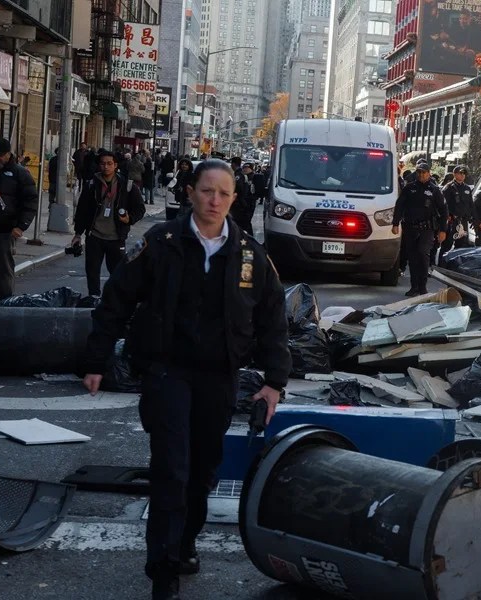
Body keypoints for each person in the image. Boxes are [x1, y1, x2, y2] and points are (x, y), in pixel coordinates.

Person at [80, 159, 291, 600]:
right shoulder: (162, 242)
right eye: (206, 190)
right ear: (191, 192)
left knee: (202, 470)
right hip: (166, 372)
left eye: (223, 193)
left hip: (219, 377)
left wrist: (275, 381)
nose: (214, 200)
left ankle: (186, 541)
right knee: (171, 469)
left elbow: (273, 318)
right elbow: (116, 299)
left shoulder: (250, 253)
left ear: (234, 199)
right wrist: (96, 359)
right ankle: (164, 566)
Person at [72, 151, 146, 297]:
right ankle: (93, 300)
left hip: (116, 237)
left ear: (115, 165)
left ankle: (113, 302)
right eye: (102, 163)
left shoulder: (127, 186)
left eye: (109, 164)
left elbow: (140, 208)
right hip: (95, 236)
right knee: (92, 272)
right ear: (99, 165)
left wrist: (129, 219)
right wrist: (78, 234)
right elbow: (82, 210)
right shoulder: (91, 184)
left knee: (117, 273)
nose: (106, 167)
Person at [392, 161, 447, 297]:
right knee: (412, 257)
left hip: (426, 229)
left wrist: (442, 230)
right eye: (419, 172)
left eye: (424, 172)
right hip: (410, 228)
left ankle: (422, 287)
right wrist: (395, 223)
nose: (421, 175)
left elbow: (444, 210)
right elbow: (400, 206)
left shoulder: (434, 190)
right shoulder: (409, 188)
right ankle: (414, 287)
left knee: (423, 254)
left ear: (428, 173)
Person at [0, 138, 37, 301]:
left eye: (0, 155)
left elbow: (31, 201)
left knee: (4, 269)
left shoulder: (20, 173)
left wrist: (21, 226)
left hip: (6, 229)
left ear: (8, 154)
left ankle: (2, 305)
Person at [440, 165, 473, 258]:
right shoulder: (448, 187)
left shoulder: (467, 188)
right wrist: (447, 216)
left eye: (464, 174)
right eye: (460, 173)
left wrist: (471, 217)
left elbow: (471, 204)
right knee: (447, 245)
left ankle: (456, 266)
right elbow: (443, 205)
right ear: (455, 174)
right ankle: (442, 266)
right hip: (451, 221)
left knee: (462, 246)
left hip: (463, 221)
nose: (462, 175)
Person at [229, 158, 254, 234]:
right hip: (242, 203)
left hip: (239, 203)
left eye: (231, 163)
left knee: (241, 223)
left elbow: (238, 188)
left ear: (233, 164)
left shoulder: (238, 175)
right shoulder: (241, 174)